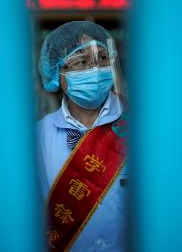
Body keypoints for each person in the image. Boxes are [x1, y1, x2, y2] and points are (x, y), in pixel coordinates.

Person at [36, 21, 128, 251]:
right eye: (82, 62)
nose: (95, 70)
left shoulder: (139, 128)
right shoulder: (37, 137)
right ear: (58, 73)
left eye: (103, 59)